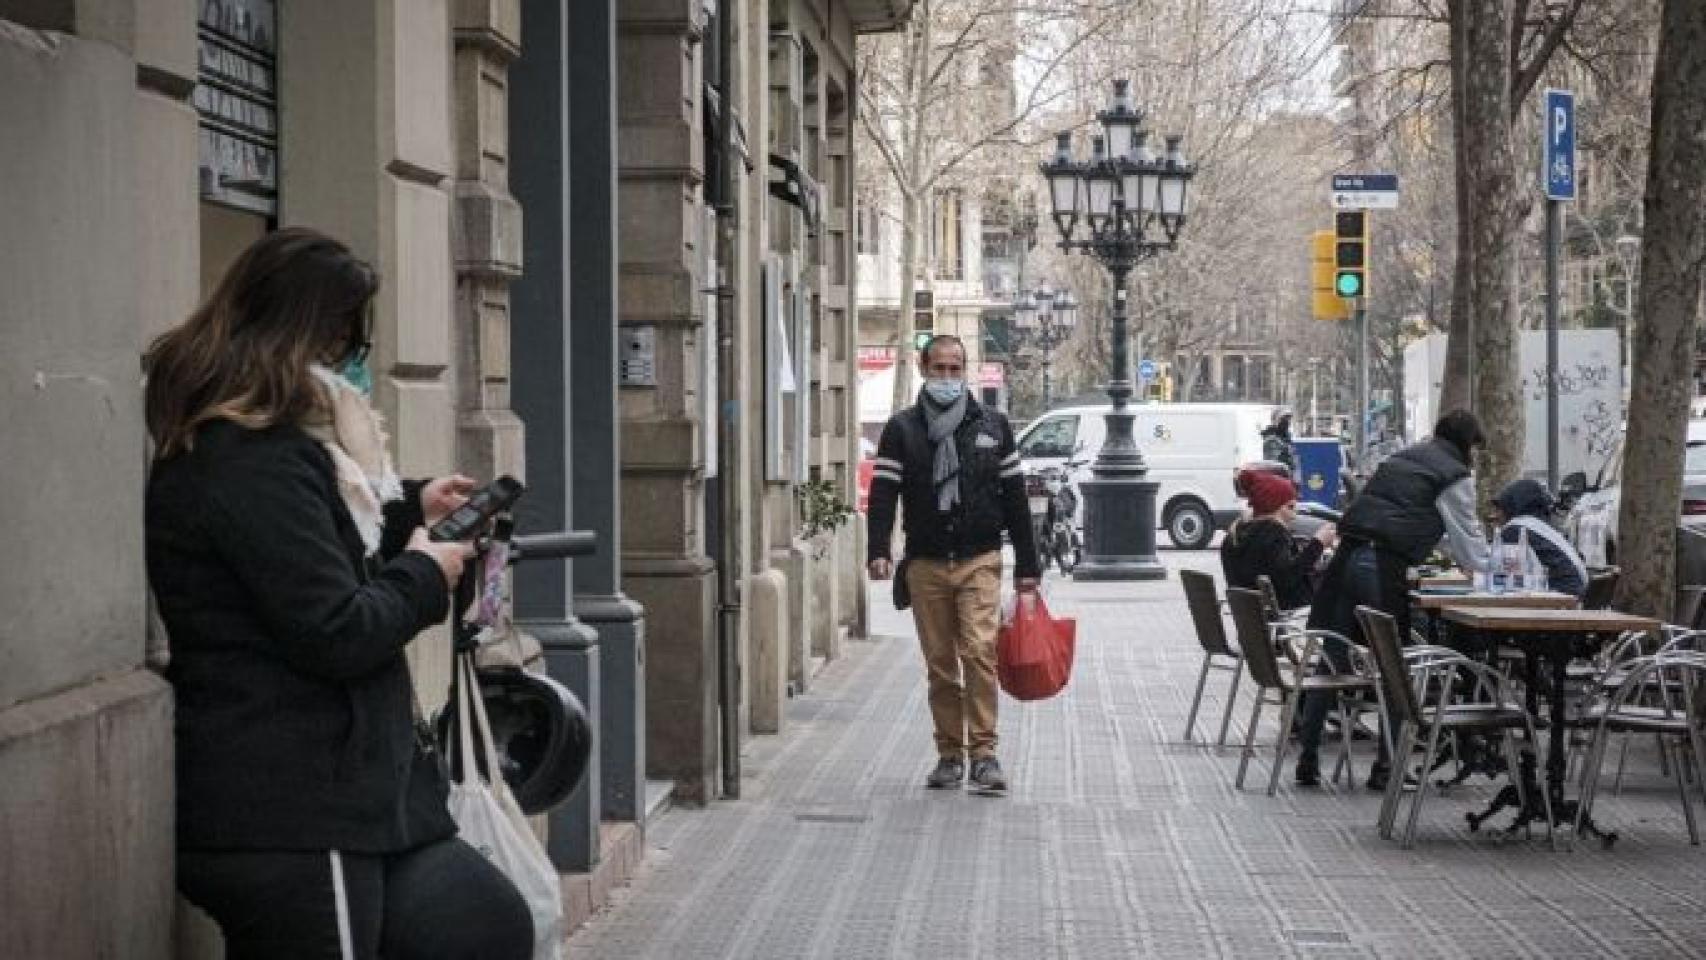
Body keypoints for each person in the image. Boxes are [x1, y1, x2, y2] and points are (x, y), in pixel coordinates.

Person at [144, 228, 534, 959]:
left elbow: (313, 559)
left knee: (481, 920)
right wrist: (426, 573)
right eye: (343, 344)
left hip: (351, 798)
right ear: (301, 339)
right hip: (294, 814)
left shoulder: (283, 456)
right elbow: (335, 628)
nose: (353, 367)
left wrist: (409, 512)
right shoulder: (246, 460)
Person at [866, 334, 1041, 792]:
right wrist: (878, 550)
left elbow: (1016, 500)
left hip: (979, 558)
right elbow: (883, 493)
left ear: (965, 371)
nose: (947, 377)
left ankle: (984, 754)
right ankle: (949, 754)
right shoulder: (902, 429)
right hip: (925, 563)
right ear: (924, 369)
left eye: (955, 368)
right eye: (939, 368)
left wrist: (1028, 566)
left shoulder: (993, 426)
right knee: (941, 662)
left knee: (978, 652)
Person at [1294, 409, 1492, 789]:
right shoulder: (1453, 475)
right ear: (1467, 444)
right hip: (1381, 566)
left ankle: (1308, 758)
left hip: (1346, 558)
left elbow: (1408, 514)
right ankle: (1387, 768)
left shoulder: (1401, 459)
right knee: (1394, 667)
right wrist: (1488, 570)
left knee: (1331, 661)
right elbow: (1467, 539)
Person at [1221, 470, 1337, 611]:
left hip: (1253, 618)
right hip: (1290, 616)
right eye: (1290, 507)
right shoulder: (1273, 533)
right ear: (1274, 507)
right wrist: (1318, 544)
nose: (1294, 516)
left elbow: (1275, 570)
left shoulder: (1234, 536)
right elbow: (1288, 577)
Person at [1491, 477, 1589, 597]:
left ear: (1512, 506)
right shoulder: (1539, 526)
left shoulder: (1515, 529)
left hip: (1562, 597)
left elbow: (1504, 572)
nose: (1495, 515)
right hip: (1574, 591)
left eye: (1500, 509)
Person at [1261, 408, 1297, 473]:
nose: (1287, 422)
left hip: (1287, 476)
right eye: (1283, 419)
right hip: (1277, 477)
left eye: (1288, 419)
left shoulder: (1285, 437)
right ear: (1275, 421)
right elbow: (1274, 463)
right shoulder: (1271, 438)